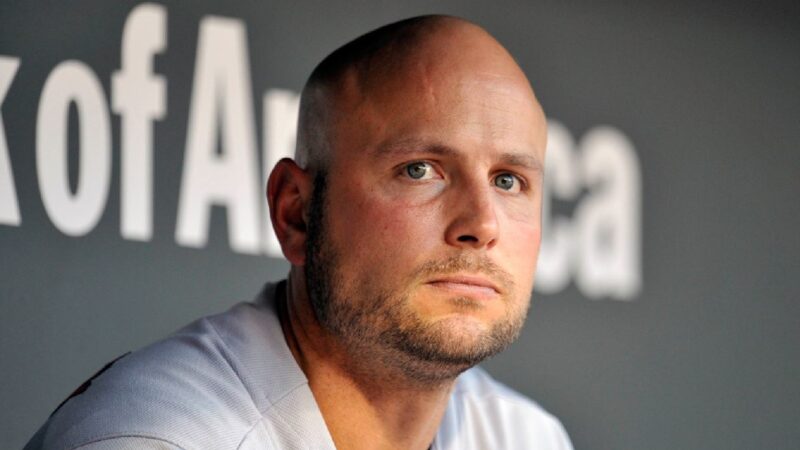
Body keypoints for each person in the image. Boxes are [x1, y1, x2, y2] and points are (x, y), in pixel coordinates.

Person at [26, 15, 573, 450]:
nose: (481, 224)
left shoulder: (527, 437)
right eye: (419, 170)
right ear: (297, 214)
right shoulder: (162, 437)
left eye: (508, 180)